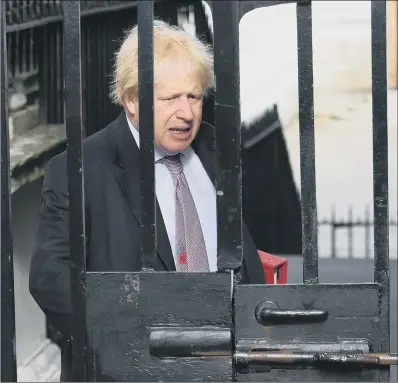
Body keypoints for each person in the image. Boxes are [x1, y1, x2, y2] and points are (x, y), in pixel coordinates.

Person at [29, 20, 265, 381]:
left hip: (224, 363)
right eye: (170, 98)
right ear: (132, 99)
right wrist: (125, 342)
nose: (186, 114)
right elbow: (50, 279)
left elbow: (241, 250)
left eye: (194, 97)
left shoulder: (215, 147)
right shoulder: (78, 168)